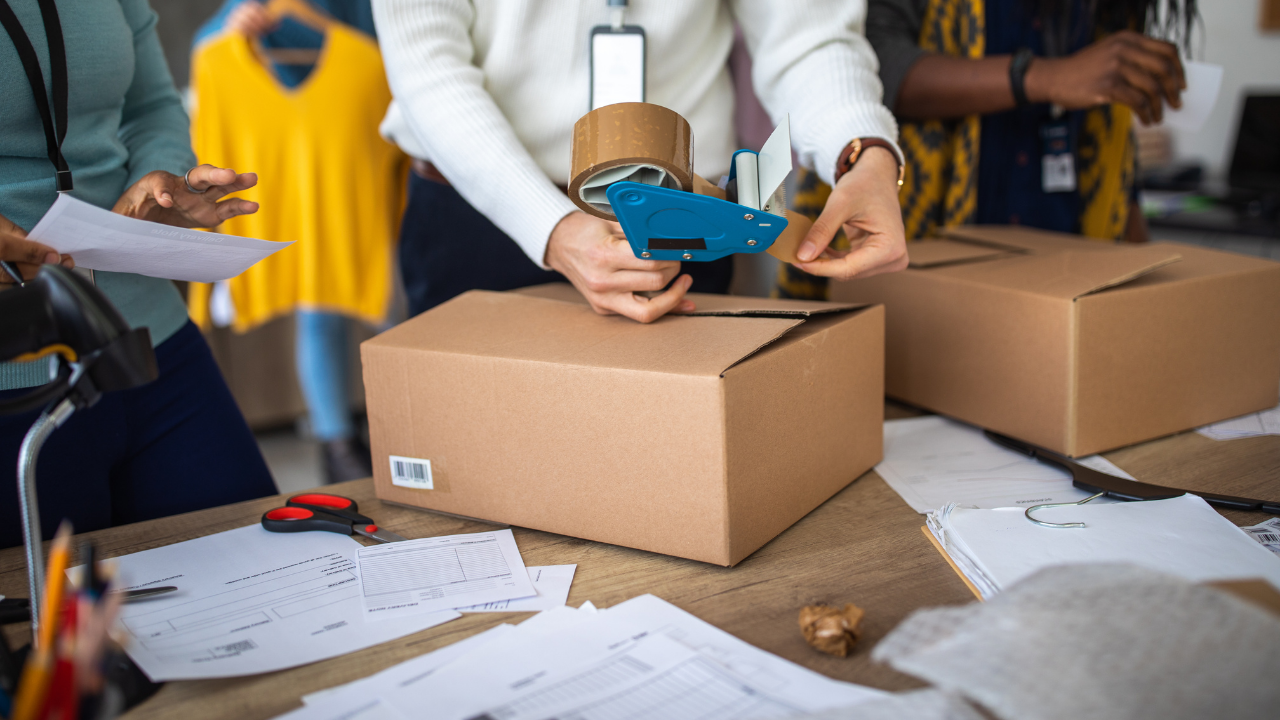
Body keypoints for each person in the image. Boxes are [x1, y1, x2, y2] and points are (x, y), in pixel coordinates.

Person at [372, 0, 909, 324]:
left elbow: (807, 37)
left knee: (673, 460)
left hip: (682, 221)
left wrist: (862, 151)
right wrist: (553, 228)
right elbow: (428, 67)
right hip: (478, 214)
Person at [0, 0, 277, 548]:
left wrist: (163, 177)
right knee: (46, 600)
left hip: (147, 339)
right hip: (14, 377)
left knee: (268, 564)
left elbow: (151, 104)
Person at [776, 0, 1195, 300]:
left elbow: (1112, 144)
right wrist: (1045, 77)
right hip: (926, 248)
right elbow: (866, 61)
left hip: (1066, 246)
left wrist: (1145, 274)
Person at [190, 0, 396, 484]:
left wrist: (313, 29)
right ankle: (337, 441)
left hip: (349, 150)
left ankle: (395, 431)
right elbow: (207, 49)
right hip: (289, 155)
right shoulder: (249, 11)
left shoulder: (357, 12)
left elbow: (383, 58)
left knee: (387, 302)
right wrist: (235, 26)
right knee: (318, 307)